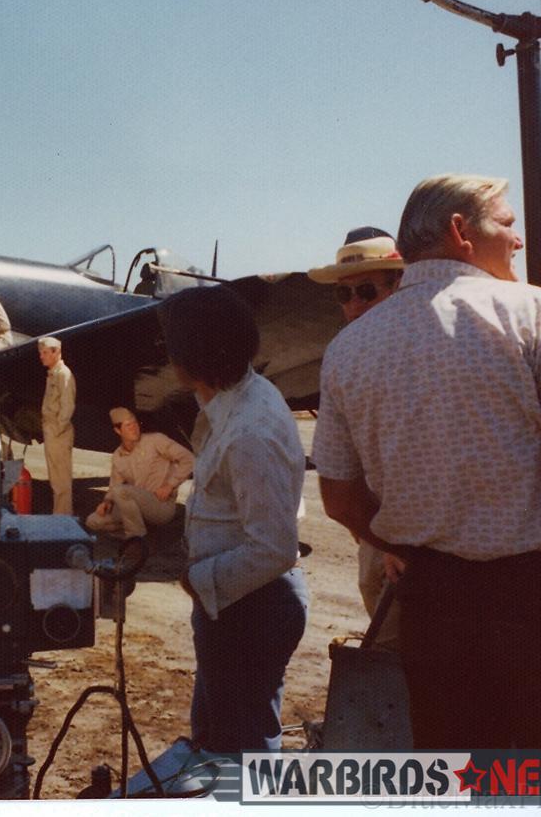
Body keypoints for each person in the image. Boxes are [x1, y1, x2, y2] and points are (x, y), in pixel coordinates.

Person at [313, 174, 541, 750]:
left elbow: (340, 500)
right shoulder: (533, 315)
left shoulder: (349, 348)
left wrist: (400, 546)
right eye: (506, 223)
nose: (517, 241)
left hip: (433, 611)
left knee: (464, 777)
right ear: (460, 232)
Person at [165, 286, 308, 755]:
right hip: (232, 605)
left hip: (250, 609)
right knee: (215, 744)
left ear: (195, 355)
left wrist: (197, 578)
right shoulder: (230, 402)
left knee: (239, 754)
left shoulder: (250, 430)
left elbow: (273, 548)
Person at [306, 226, 405, 652]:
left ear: (398, 285)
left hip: (410, 539)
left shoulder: (419, 348)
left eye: (365, 291)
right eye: (344, 295)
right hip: (379, 532)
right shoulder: (346, 356)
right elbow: (342, 482)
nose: (354, 306)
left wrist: (394, 542)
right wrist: (373, 538)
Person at [86, 407, 194, 540]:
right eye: (128, 425)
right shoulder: (118, 456)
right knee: (93, 521)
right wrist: (107, 502)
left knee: (122, 491)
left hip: (160, 505)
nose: (134, 428)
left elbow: (189, 459)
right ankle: (139, 527)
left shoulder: (155, 440)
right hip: (136, 506)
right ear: (118, 430)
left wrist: (170, 485)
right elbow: (114, 485)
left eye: (135, 423)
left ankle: (136, 539)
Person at [38, 336, 77, 515]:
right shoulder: (53, 373)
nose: (42, 356)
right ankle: (59, 515)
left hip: (57, 432)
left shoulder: (63, 374)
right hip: (51, 430)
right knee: (55, 478)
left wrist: (57, 429)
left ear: (56, 352)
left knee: (61, 480)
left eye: (45, 353)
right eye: (41, 353)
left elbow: (67, 406)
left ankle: (63, 518)